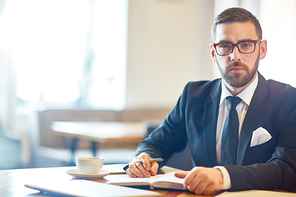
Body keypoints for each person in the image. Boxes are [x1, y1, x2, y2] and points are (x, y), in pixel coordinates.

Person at [124, 7, 296, 195]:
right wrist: (143, 159)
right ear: (214, 53)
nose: (235, 57)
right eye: (225, 46)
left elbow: (287, 169)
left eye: (246, 45)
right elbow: (156, 144)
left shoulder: (288, 99)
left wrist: (222, 176)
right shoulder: (194, 96)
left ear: (261, 49)